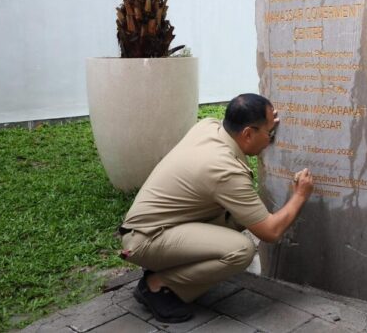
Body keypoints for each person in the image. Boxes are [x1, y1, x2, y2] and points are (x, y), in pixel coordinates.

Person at [118, 94, 314, 323]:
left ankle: (169, 267)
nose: (271, 139)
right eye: (269, 133)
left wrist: (264, 120)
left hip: (159, 226)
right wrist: (300, 195)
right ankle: (158, 285)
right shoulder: (224, 169)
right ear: (248, 133)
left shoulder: (209, 126)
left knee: (243, 216)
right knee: (241, 250)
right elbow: (270, 231)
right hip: (144, 240)